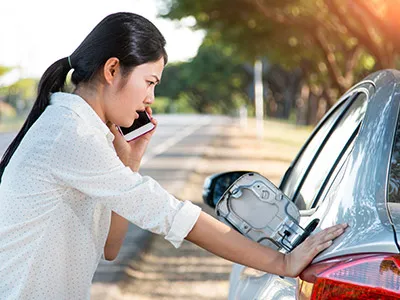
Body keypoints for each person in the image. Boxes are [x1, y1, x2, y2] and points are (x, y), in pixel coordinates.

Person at [0, 12, 346, 299]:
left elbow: (110, 246)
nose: (150, 98)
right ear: (112, 70)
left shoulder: (82, 132)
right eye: (149, 82)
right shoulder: (72, 134)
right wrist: (283, 263)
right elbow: (172, 215)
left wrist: (130, 161)